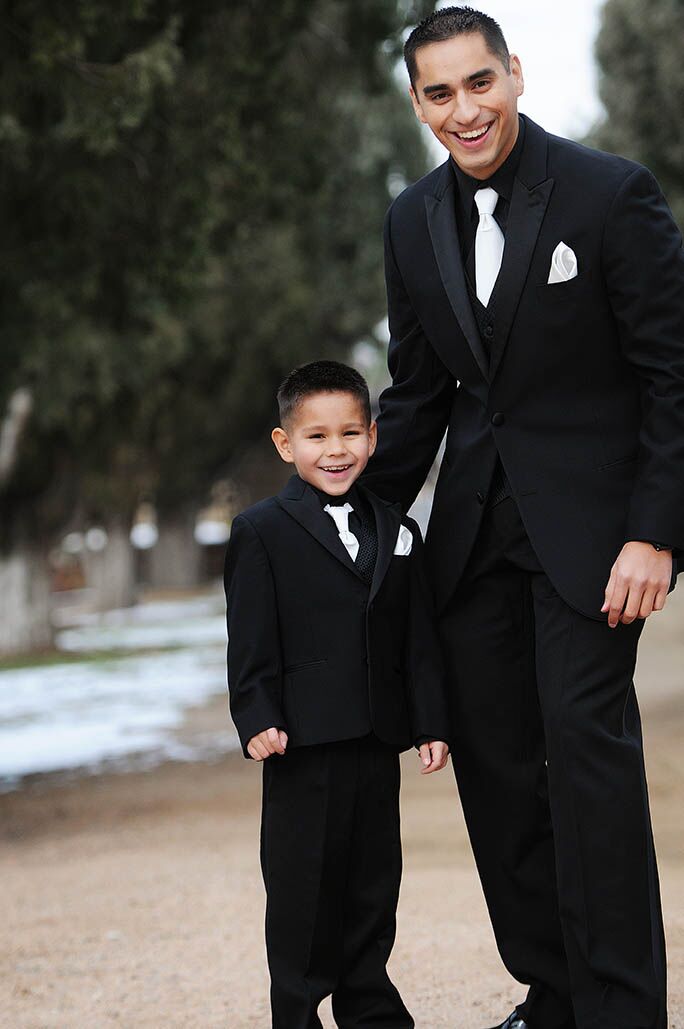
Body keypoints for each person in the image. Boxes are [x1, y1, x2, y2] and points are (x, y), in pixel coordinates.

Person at [362, 7, 684, 1029]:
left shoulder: (608, 192)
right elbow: (417, 394)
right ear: (418, 105)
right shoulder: (411, 220)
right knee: (499, 777)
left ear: (516, 74)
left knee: (586, 764)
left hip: (595, 547)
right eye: (440, 94)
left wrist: (657, 533)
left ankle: (624, 1009)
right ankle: (555, 992)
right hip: (471, 543)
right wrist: (339, 521)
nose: (466, 110)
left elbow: (673, 376)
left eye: (479, 83)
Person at [224, 360, 451, 1029]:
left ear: (374, 437)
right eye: (317, 436)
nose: (336, 449)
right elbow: (251, 640)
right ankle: (296, 1011)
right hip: (302, 742)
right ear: (285, 443)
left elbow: (418, 641)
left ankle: (371, 1005)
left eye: (350, 432)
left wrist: (430, 720)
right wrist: (256, 714)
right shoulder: (261, 530)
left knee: (373, 883)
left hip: (377, 738)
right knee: (302, 890)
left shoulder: (398, 529)